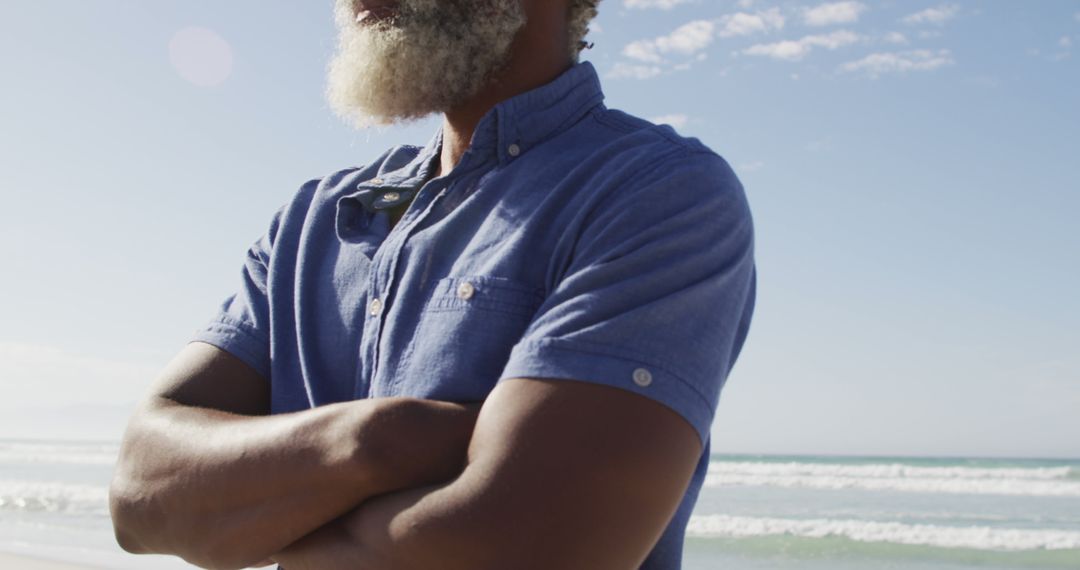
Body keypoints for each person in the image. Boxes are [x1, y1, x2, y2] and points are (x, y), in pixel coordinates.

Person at [108, 0, 757, 568]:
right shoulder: (312, 221)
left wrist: (256, 520)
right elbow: (140, 494)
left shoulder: (657, 193)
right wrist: (380, 442)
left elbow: (525, 551)